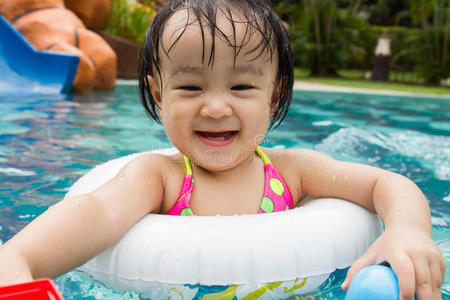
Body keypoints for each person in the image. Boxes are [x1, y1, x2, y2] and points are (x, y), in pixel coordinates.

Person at [0, 0, 445, 299]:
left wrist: (408, 233)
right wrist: (18, 259)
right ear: (159, 95)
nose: (215, 107)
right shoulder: (160, 177)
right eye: (191, 86)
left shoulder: (292, 171)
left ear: (273, 95)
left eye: (241, 86)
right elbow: (96, 212)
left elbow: (387, 183)